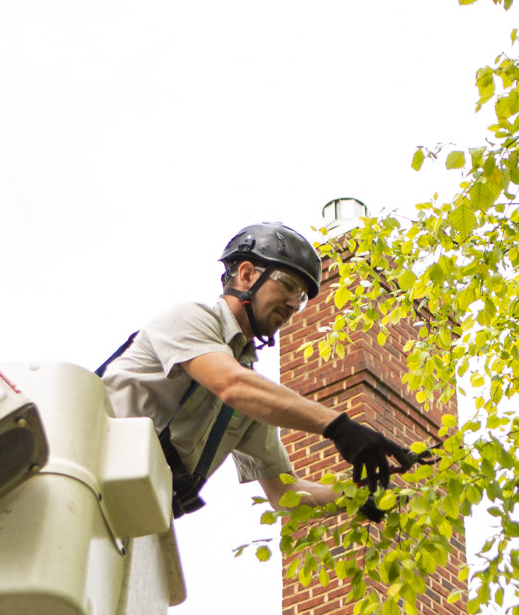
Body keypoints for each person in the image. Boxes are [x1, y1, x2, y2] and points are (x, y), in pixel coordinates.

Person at [99, 222, 421, 520]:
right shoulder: (190, 319)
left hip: (134, 511)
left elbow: (285, 494)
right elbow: (231, 385)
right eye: (289, 284)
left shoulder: (249, 396)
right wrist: (338, 426)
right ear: (247, 273)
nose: (294, 304)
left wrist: (355, 495)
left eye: (302, 298)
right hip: (84, 463)